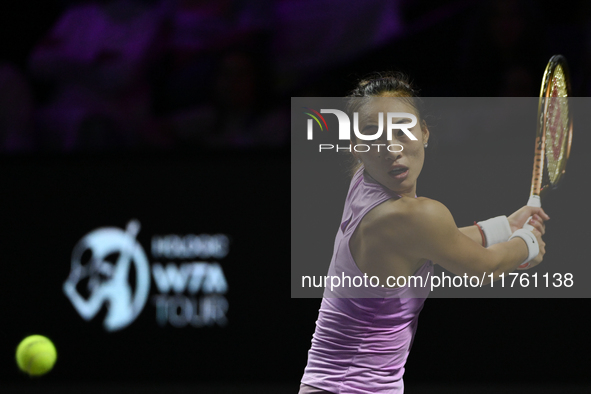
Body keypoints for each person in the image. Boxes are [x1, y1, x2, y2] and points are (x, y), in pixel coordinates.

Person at [298, 72, 548, 394]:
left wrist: (504, 227)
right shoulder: (411, 216)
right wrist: (527, 244)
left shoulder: (364, 183)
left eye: (402, 128)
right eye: (373, 133)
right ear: (357, 146)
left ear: (425, 132)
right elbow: (485, 268)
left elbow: (433, 243)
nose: (391, 148)